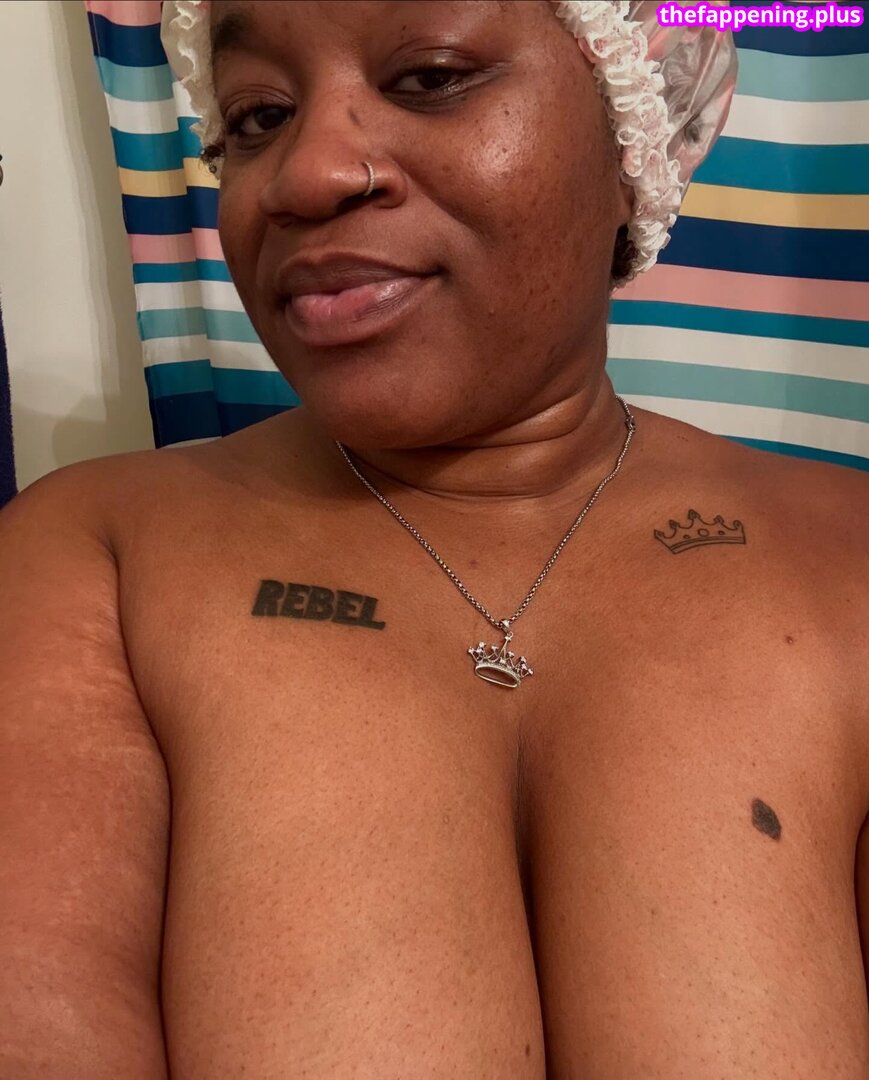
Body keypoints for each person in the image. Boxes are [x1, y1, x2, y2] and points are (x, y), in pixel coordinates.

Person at [2, 1, 867, 1076]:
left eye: (430, 78)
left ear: (632, 139)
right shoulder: (95, 563)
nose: (307, 175)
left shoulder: (847, 569)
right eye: (257, 115)